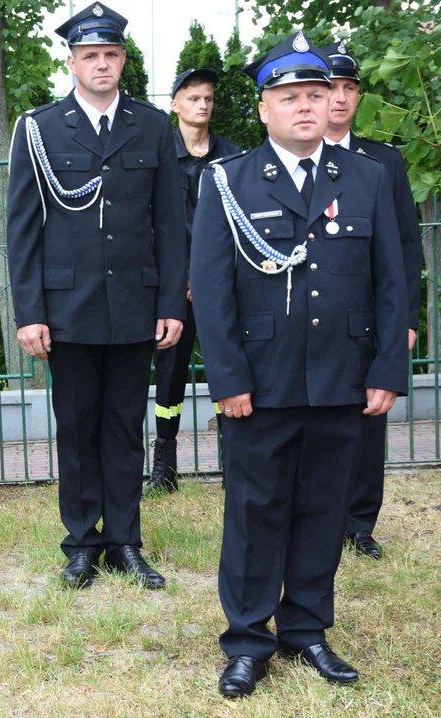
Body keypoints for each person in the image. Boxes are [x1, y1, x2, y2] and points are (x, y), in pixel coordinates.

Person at [190, 32, 409, 697]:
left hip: (342, 377)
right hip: (260, 382)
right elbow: (213, 285)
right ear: (264, 109)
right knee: (255, 512)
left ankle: (308, 628)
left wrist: (385, 370)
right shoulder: (227, 182)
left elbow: (393, 282)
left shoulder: (368, 178)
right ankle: (250, 640)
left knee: (322, 509)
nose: (307, 108)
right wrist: (227, 378)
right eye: (291, 98)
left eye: (317, 96)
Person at [6, 2, 187, 590]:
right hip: (68, 308)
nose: (101, 64)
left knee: (123, 424)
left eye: (110, 55)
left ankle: (125, 542)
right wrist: (30, 312)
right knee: (77, 426)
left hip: (136, 302)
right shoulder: (38, 128)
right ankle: (82, 542)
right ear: (72, 61)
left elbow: (172, 225)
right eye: (90, 56)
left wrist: (170, 305)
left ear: (123, 60)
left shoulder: (154, 126)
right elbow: (23, 228)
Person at [321, 41, 424, 560]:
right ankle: (320, 515)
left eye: (349, 89)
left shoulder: (383, 162)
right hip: (318, 313)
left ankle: (360, 522)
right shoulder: (296, 158)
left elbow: (406, 246)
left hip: (372, 314)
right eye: (332, 88)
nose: (339, 99)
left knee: (368, 419)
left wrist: (406, 318)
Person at [144, 68, 242, 494]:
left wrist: (208, 276)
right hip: (172, 288)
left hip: (225, 286)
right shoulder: (157, 154)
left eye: (208, 98)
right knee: (169, 373)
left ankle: (235, 461)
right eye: (194, 98)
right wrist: (180, 278)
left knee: (231, 368)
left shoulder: (235, 158)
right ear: (175, 104)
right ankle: (164, 466)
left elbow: (240, 227)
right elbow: (153, 225)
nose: (202, 105)